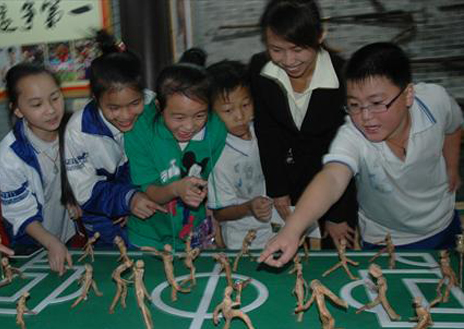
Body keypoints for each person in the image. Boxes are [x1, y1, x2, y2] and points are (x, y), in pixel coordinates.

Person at [259, 42, 463, 267]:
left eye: (376, 103)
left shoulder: (435, 101)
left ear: (407, 95)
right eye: (354, 105)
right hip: (384, 241)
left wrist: (452, 166)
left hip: (443, 225)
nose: (366, 117)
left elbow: (453, 127)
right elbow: (333, 178)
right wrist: (292, 230)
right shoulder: (353, 134)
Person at [249, 0, 357, 249]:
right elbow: (267, 132)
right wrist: (278, 189)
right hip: (287, 181)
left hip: (335, 185)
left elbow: (347, 150)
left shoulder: (343, 77)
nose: (288, 60)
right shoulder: (260, 70)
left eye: (297, 49)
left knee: (338, 255)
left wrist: (336, 214)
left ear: (320, 35)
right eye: (276, 49)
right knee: (291, 256)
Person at [63, 32, 164, 247]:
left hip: (146, 199)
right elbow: (86, 191)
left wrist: (133, 198)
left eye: (134, 103)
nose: (126, 116)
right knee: (112, 264)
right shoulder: (79, 131)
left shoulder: (152, 106)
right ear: (95, 99)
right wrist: (126, 200)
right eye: (114, 108)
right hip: (101, 211)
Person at [124, 62, 227, 249]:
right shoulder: (140, 131)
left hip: (195, 234)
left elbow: (214, 178)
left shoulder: (216, 129)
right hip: (149, 236)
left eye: (199, 116)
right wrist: (176, 189)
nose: (189, 127)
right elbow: (148, 190)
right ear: (158, 106)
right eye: (178, 117)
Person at [0, 63, 75, 275]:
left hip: (70, 237)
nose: (50, 110)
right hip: (31, 247)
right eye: (37, 104)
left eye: (55, 98)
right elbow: (20, 214)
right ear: (18, 110)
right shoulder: (11, 153)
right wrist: (51, 242)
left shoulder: (74, 131)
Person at [206, 60, 274, 250]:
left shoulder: (265, 131)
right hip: (242, 239)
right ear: (210, 114)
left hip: (279, 228)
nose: (239, 116)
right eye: (228, 110)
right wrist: (249, 207)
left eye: (245, 104)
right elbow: (220, 213)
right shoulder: (218, 156)